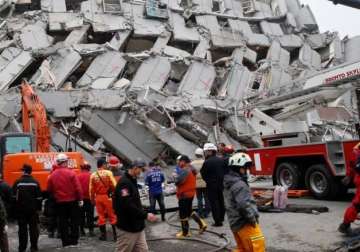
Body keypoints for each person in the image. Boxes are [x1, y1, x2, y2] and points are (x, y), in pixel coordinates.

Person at [224, 152, 265, 252]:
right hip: (245, 223)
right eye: (246, 168)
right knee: (258, 247)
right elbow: (243, 205)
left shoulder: (228, 182)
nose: (247, 171)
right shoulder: (240, 185)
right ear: (240, 168)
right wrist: (252, 219)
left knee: (242, 249)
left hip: (235, 223)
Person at [113, 159, 157, 252]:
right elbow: (127, 204)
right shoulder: (124, 183)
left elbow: (134, 202)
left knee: (143, 250)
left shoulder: (132, 180)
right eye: (141, 170)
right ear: (135, 168)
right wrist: (145, 215)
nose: (142, 172)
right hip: (128, 227)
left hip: (138, 226)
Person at [47, 153, 83, 247]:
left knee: (63, 221)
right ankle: (74, 240)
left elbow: (49, 189)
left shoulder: (52, 175)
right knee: (74, 221)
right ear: (65, 162)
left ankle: (65, 241)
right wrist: (80, 199)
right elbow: (78, 188)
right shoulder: (71, 173)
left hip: (60, 202)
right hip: (72, 201)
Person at [175, 155, 207, 238]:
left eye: (179, 161)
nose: (178, 163)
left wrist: (175, 176)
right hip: (191, 193)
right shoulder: (192, 169)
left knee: (183, 214)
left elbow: (178, 181)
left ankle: (185, 233)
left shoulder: (185, 170)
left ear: (183, 161)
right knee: (189, 211)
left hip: (184, 194)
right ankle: (201, 223)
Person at [12, 164, 42, 252]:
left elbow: (13, 198)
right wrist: (38, 209)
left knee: (22, 230)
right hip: (33, 211)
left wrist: (15, 210)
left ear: (24, 171)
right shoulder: (35, 182)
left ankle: (22, 248)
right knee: (33, 229)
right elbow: (39, 198)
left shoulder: (17, 182)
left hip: (21, 211)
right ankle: (34, 247)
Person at [90, 158, 117, 241]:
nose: (106, 165)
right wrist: (114, 193)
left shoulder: (93, 175)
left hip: (98, 197)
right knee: (112, 216)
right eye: (105, 164)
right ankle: (116, 236)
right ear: (103, 164)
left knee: (101, 216)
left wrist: (92, 199)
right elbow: (114, 185)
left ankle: (103, 236)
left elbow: (91, 189)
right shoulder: (108, 173)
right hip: (107, 197)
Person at [201, 143, 226, 227]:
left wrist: (209, 181)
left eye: (205, 151)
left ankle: (218, 222)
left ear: (210, 151)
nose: (205, 153)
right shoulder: (221, 160)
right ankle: (222, 217)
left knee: (214, 203)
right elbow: (225, 172)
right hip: (221, 184)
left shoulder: (207, 162)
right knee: (221, 201)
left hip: (211, 185)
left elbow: (203, 174)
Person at [339, 147, 360, 235]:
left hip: (358, 178)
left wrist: (349, 176)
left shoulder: (356, 148)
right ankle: (345, 226)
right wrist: (349, 176)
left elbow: (352, 164)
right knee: (357, 204)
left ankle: (345, 226)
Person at [77, 162, 95, 237]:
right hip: (90, 198)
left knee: (81, 215)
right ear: (88, 168)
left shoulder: (78, 176)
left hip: (81, 199)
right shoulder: (92, 176)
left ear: (82, 168)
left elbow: (76, 188)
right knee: (90, 215)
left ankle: (81, 231)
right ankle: (91, 231)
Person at [192, 148, 210, 218]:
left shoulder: (192, 163)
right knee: (206, 198)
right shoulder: (205, 162)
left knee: (199, 198)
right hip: (205, 182)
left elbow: (191, 174)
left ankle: (200, 212)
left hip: (196, 183)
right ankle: (207, 212)